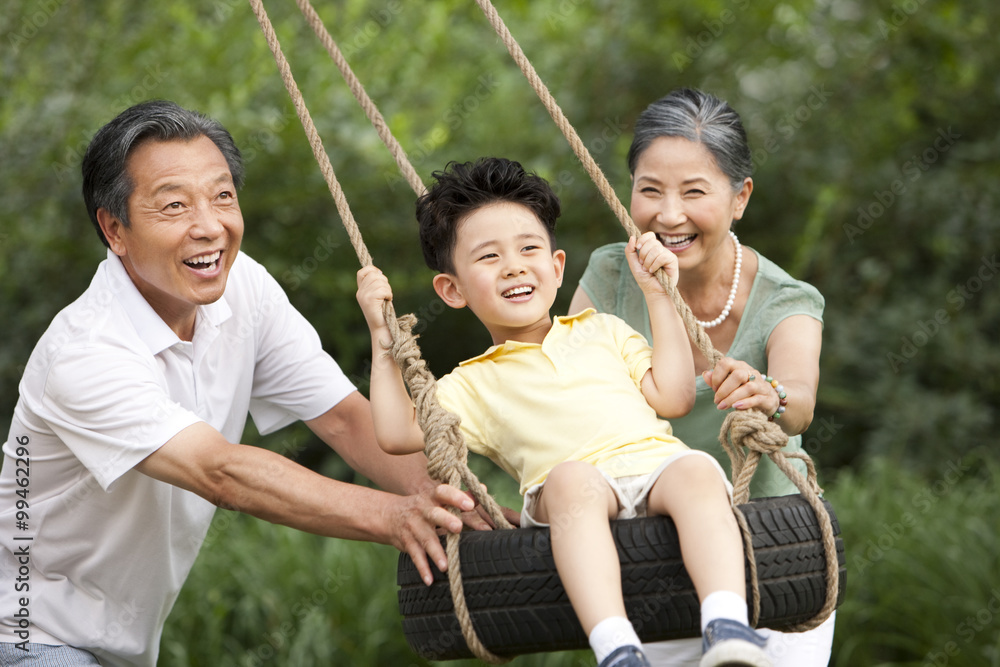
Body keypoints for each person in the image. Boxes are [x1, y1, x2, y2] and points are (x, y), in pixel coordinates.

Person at [0, 100, 484, 667]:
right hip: (27, 633)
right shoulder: (84, 353)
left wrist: (453, 505)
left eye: (222, 196)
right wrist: (395, 518)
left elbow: (341, 416)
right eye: (174, 205)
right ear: (115, 229)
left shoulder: (242, 284)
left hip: (121, 646)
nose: (209, 226)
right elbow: (220, 472)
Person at [356, 157, 772, 667]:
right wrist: (383, 341)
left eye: (528, 249)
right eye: (488, 257)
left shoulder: (604, 330)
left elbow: (675, 398)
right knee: (574, 478)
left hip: (654, 468)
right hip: (567, 493)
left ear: (555, 268)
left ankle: (727, 624)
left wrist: (657, 295)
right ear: (453, 291)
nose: (513, 266)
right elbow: (397, 432)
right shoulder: (471, 382)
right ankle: (617, 648)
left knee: (696, 468)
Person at [568, 88, 835, 665]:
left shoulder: (786, 300)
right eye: (650, 190)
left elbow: (801, 400)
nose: (669, 215)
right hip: (651, 556)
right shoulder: (613, 273)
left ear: (740, 198)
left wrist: (771, 393)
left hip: (772, 555)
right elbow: (559, 377)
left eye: (694, 192)